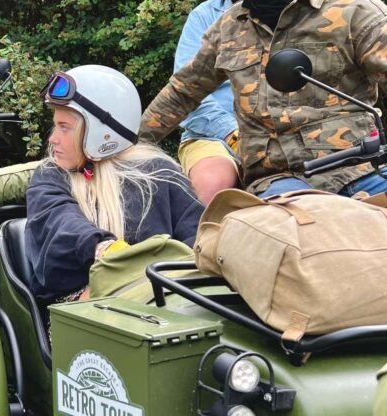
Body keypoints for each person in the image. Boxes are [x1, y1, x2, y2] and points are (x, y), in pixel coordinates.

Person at [139, 0, 387, 199]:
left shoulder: (356, 12)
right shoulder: (229, 26)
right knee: (278, 243)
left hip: (360, 169)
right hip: (280, 182)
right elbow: (182, 93)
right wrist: (127, 147)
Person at [25, 65, 204, 305]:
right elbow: (59, 219)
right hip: (82, 309)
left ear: (101, 131)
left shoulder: (160, 172)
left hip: (167, 296)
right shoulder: (51, 176)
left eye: (64, 127)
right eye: (55, 125)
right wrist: (101, 247)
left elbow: (198, 236)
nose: (52, 139)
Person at [173, 0, 240, 205]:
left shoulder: (307, 12)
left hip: (288, 132)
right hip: (213, 136)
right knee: (213, 181)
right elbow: (187, 94)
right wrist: (235, 136)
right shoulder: (204, 15)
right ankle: (202, 236)